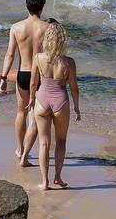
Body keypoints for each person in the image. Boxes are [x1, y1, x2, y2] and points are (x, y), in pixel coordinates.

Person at [0, 0, 52, 166]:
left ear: (27, 6)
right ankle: (26, 155)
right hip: (41, 77)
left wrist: (4, 77)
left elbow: (10, 54)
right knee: (35, 115)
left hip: (22, 74)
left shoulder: (16, 27)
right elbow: (52, 55)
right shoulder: (48, 28)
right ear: (42, 7)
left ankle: (20, 148)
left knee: (21, 111)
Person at [26, 22, 80, 190]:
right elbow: (74, 88)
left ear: (47, 39)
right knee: (61, 140)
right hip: (60, 101)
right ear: (62, 40)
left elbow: (33, 83)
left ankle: (44, 181)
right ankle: (58, 177)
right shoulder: (69, 62)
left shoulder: (38, 58)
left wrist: (31, 100)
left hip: (41, 100)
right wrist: (77, 107)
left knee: (44, 142)